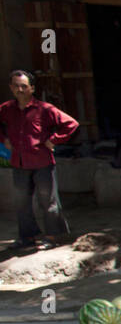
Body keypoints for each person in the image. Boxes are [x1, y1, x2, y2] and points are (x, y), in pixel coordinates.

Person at [0, 69, 78, 250]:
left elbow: (71, 124)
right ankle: (27, 238)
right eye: (16, 86)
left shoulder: (44, 109)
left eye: (24, 86)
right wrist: (4, 140)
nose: (20, 90)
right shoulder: (7, 109)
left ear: (32, 88)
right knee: (21, 202)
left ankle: (52, 237)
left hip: (42, 162)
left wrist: (54, 140)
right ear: (11, 88)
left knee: (48, 201)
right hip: (19, 163)